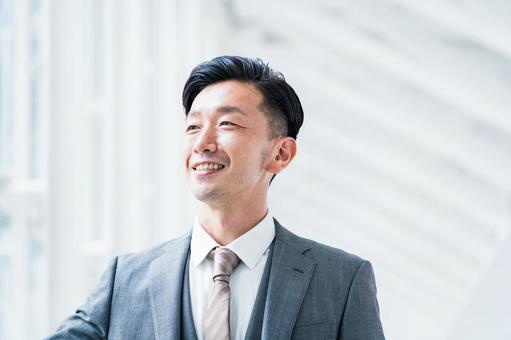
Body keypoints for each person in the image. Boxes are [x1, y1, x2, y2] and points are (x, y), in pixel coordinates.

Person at [46, 56, 385, 340]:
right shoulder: (127, 279)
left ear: (281, 153)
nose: (202, 143)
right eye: (193, 127)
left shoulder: (341, 279)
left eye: (226, 123)